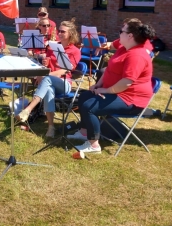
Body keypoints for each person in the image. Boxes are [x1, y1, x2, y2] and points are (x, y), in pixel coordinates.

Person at [67, 20, 156, 154]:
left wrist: (106, 90)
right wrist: (98, 85)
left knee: (89, 107)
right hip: (120, 93)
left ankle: (93, 145)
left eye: (122, 32)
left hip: (131, 100)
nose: (119, 34)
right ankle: (84, 132)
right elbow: (109, 69)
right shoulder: (123, 48)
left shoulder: (137, 55)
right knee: (84, 96)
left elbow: (126, 82)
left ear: (130, 36)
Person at [16, 20, 82, 138]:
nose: (60, 33)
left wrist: (44, 75)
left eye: (63, 31)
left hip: (64, 83)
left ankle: (28, 110)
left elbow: (65, 70)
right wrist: (45, 66)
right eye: (59, 31)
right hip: (49, 81)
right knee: (49, 90)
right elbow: (47, 65)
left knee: (47, 80)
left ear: (71, 34)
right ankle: (51, 127)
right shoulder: (53, 47)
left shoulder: (75, 51)